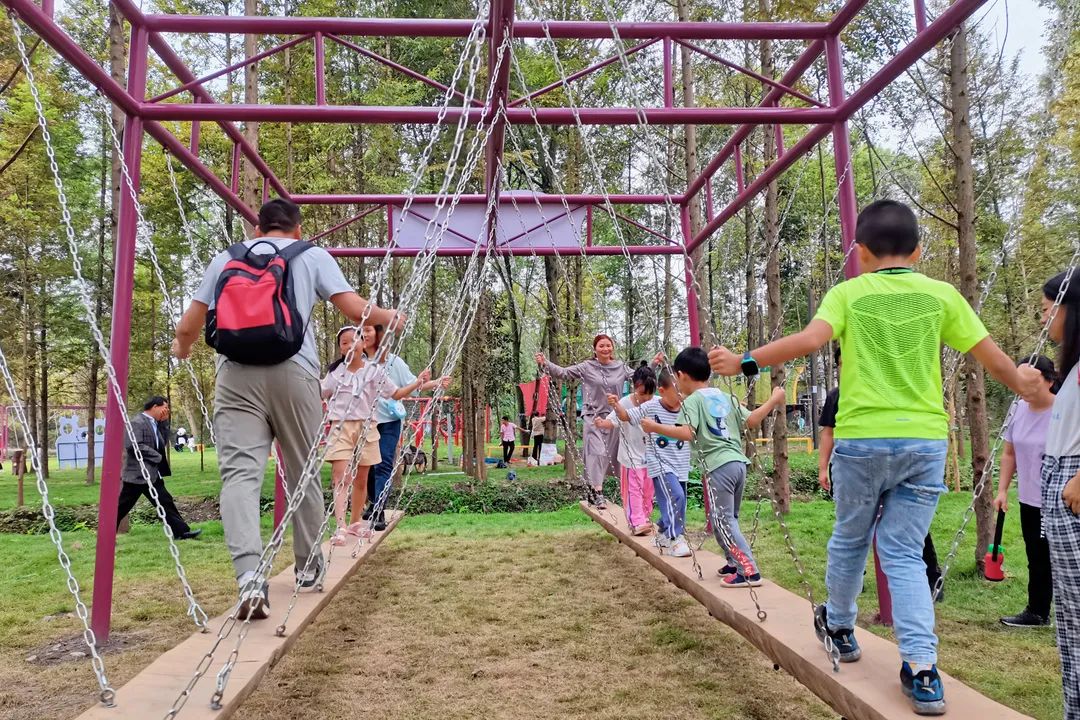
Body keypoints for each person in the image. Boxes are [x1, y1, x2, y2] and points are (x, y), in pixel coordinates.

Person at [709, 200, 1036, 714]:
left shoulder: (849, 293)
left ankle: (840, 627)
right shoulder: (942, 295)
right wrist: (1034, 389)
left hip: (862, 441)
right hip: (925, 442)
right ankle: (923, 669)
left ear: (859, 253)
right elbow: (996, 362)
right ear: (919, 250)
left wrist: (744, 360)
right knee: (903, 553)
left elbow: (810, 341)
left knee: (850, 537)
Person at [173, 198, 404, 621]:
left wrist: (183, 349)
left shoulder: (226, 258)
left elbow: (189, 324)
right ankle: (309, 566)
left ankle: (248, 577)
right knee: (302, 470)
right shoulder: (310, 254)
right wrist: (392, 316)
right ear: (298, 229)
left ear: (257, 229)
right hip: (293, 372)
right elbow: (355, 310)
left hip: (235, 376)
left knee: (240, 474)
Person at [644, 347, 787, 588]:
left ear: (682, 376)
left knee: (723, 520)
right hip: (738, 465)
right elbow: (751, 420)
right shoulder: (725, 397)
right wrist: (773, 400)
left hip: (718, 467)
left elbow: (687, 432)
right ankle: (733, 561)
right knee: (725, 517)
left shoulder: (692, 401)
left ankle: (749, 571)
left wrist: (655, 427)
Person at [820, 346, 944, 600]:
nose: (847, 368)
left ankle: (932, 578)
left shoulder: (885, 392)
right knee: (854, 530)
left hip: (900, 465)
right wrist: (823, 467)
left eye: (852, 361)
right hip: (854, 471)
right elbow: (828, 433)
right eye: (842, 364)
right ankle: (853, 585)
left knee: (907, 533)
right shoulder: (836, 396)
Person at [1023, 269, 1080, 717]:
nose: (1045, 320)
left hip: (1073, 481)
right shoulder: (1073, 366)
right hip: (1057, 482)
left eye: (1048, 310)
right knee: (1070, 614)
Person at [323, 325, 430, 546]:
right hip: (340, 427)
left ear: (363, 344)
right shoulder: (335, 373)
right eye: (344, 342)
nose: (350, 345)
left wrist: (418, 382)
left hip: (367, 427)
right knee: (341, 477)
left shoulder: (374, 372)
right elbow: (318, 393)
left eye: (354, 340)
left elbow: (396, 393)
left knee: (362, 479)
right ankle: (340, 526)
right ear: (341, 349)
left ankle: (354, 523)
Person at [537, 336, 663, 508]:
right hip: (593, 416)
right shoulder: (586, 366)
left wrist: (654, 364)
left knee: (612, 455)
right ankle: (598, 493)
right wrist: (546, 363)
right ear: (595, 349)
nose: (605, 349)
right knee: (597, 452)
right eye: (601, 346)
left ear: (612, 348)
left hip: (614, 416)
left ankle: (596, 488)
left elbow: (640, 378)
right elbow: (564, 373)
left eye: (608, 345)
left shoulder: (619, 367)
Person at [993, 354, 1058, 628]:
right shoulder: (1018, 409)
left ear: (1049, 381)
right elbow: (1009, 453)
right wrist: (1002, 490)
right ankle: (1038, 611)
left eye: (1030, 382)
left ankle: (1053, 611)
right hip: (1029, 497)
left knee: (1055, 557)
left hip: (1059, 499)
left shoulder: (1065, 411)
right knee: (1036, 555)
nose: (1023, 389)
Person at [363, 324, 449, 531]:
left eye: (368, 330)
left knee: (383, 464)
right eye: (362, 331)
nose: (364, 334)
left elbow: (413, 384)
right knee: (368, 468)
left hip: (390, 421)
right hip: (366, 421)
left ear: (380, 336)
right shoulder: (359, 361)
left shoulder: (394, 362)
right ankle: (373, 503)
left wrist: (435, 382)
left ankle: (378, 511)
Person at [608, 368, 692, 558]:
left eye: (683, 392)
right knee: (676, 496)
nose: (681, 396)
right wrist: (616, 405)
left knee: (681, 500)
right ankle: (675, 539)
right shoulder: (651, 407)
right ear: (662, 391)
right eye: (677, 392)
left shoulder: (688, 407)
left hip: (680, 464)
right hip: (660, 464)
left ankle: (662, 529)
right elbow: (625, 416)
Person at [116, 396, 201, 540]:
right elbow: (133, 446)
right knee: (122, 507)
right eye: (165, 407)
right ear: (155, 406)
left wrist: (164, 422)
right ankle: (105, 533)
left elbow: (162, 441)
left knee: (165, 501)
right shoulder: (137, 422)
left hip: (152, 474)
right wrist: (157, 457)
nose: (167, 410)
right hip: (137, 475)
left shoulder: (155, 423)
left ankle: (182, 533)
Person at [596, 365, 656, 536]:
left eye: (649, 394)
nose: (646, 398)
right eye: (642, 393)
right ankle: (636, 521)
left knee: (648, 490)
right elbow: (613, 420)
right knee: (633, 490)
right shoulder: (624, 403)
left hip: (650, 456)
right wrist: (602, 423)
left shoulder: (655, 402)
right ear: (635, 387)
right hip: (630, 457)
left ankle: (644, 518)